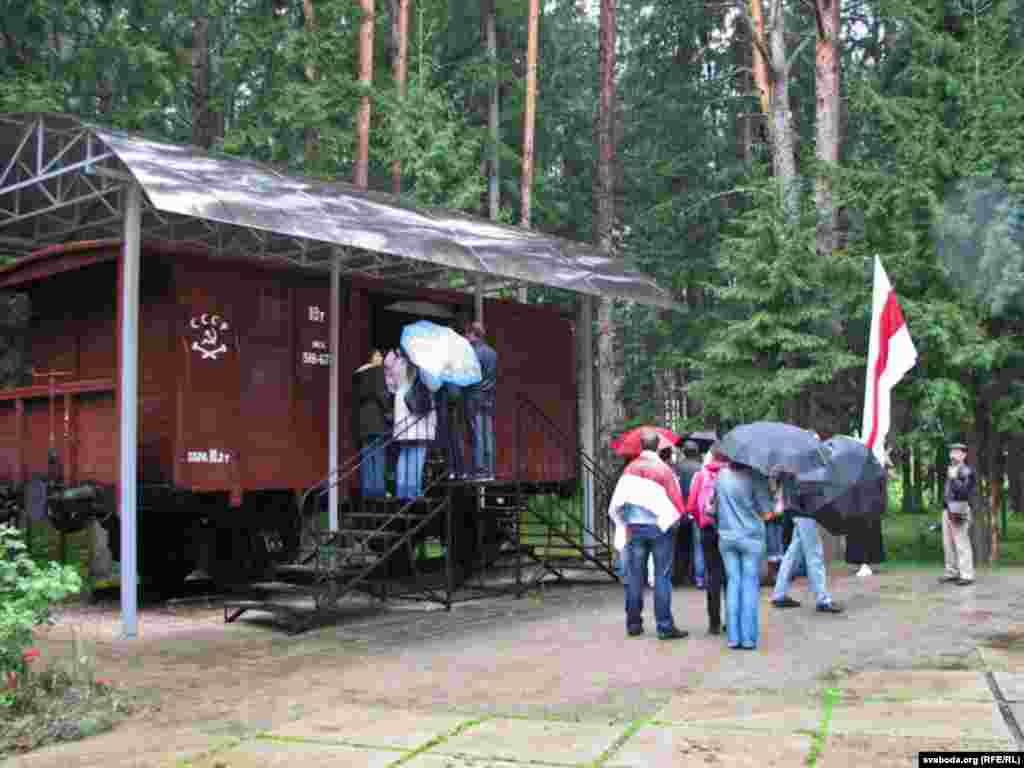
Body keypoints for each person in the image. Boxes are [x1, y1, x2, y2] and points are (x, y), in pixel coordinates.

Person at [607, 429, 688, 640]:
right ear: (657, 446)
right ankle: (664, 626)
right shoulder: (664, 470)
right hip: (660, 529)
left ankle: (633, 624)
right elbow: (675, 501)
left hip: (635, 529)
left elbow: (618, 501)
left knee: (635, 577)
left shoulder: (629, 470)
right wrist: (676, 523)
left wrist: (625, 521)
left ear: (641, 446)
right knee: (662, 576)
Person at [715, 460, 774, 650]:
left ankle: (733, 638)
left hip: (726, 537)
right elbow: (768, 514)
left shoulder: (721, 476)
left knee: (733, 583)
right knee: (749, 584)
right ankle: (748, 639)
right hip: (751, 538)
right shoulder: (756, 477)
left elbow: (713, 507)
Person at [771, 471, 843, 614]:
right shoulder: (803, 466)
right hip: (804, 510)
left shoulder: (789, 463)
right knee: (814, 553)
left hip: (794, 508)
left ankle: (779, 594)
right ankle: (823, 600)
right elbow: (807, 489)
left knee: (793, 553)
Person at [386, 349, 437, 500]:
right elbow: (434, 385)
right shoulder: (422, 364)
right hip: (418, 417)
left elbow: (390, 386)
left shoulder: (396, 364)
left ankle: (402, 491)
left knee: (404, 453)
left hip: (402, 413)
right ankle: (414, 491)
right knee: (417, 454)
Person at [687, 446, 728, 635]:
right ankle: (731, 619)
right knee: (730, 577)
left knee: (713, 576)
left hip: (707, 530)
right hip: (728, 530)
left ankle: (714, 623)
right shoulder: (731, 475)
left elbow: (691, 506)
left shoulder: (701, 475)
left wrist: (701, 521)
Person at [353, 350, 391, 498]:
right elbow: (382, 394)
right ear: (372, 358)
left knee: (367, 456)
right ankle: (379, 490)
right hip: (377, 419)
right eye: (378, 355)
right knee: (379, 456)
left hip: (363, 421)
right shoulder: (377, 371)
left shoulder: (358, 374)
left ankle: (368, 490)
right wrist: (388, 411)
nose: (381, 358)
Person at [464, 321, 497, 480]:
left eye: (467, 333)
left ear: (473, 334)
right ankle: (490, 470)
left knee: (477, 434)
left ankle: (480, 469)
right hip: (488, 397)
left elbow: (470, 378)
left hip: (475, 397)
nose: (466, 336)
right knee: (488, 434)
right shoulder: (492, 353)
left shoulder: (472, 353)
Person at [940, 442, 976, 586]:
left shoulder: (967, 471)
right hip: (947, 509)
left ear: (964, 455)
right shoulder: (951, 469)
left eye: (957, 452)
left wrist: (954, 478)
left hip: (959, 509)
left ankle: (967, 575)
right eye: (952, 452)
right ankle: (952, 572)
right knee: (948, 543)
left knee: (961, 543)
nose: (953, 455)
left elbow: (965, 492)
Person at [675, 440, 705, 588]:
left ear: (684, 452)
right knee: (698, 545)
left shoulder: (677, 468)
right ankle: (698, 577)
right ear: (697, 452)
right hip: (696, 510)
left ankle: (679, 576)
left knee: (680, 544)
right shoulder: (701, 468)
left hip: (679, 509)